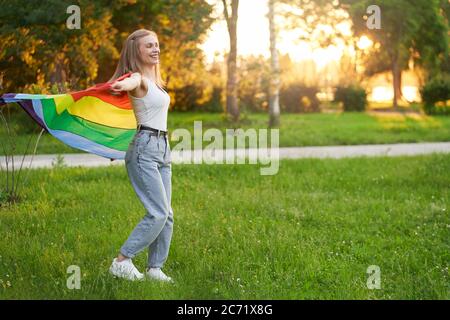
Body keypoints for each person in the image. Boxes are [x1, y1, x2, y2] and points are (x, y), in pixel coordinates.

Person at [107, 29, 174, 282]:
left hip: (162, 148)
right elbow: (129, 83)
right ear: (137, 50)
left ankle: (155, 268)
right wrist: (121, 85)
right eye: (149, 46)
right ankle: (122, 260)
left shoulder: (155, 81)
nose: (155, 49)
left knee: (167, 215)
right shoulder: (138, 79)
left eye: (157, 45)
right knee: (157, 211)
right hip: (144, 148)